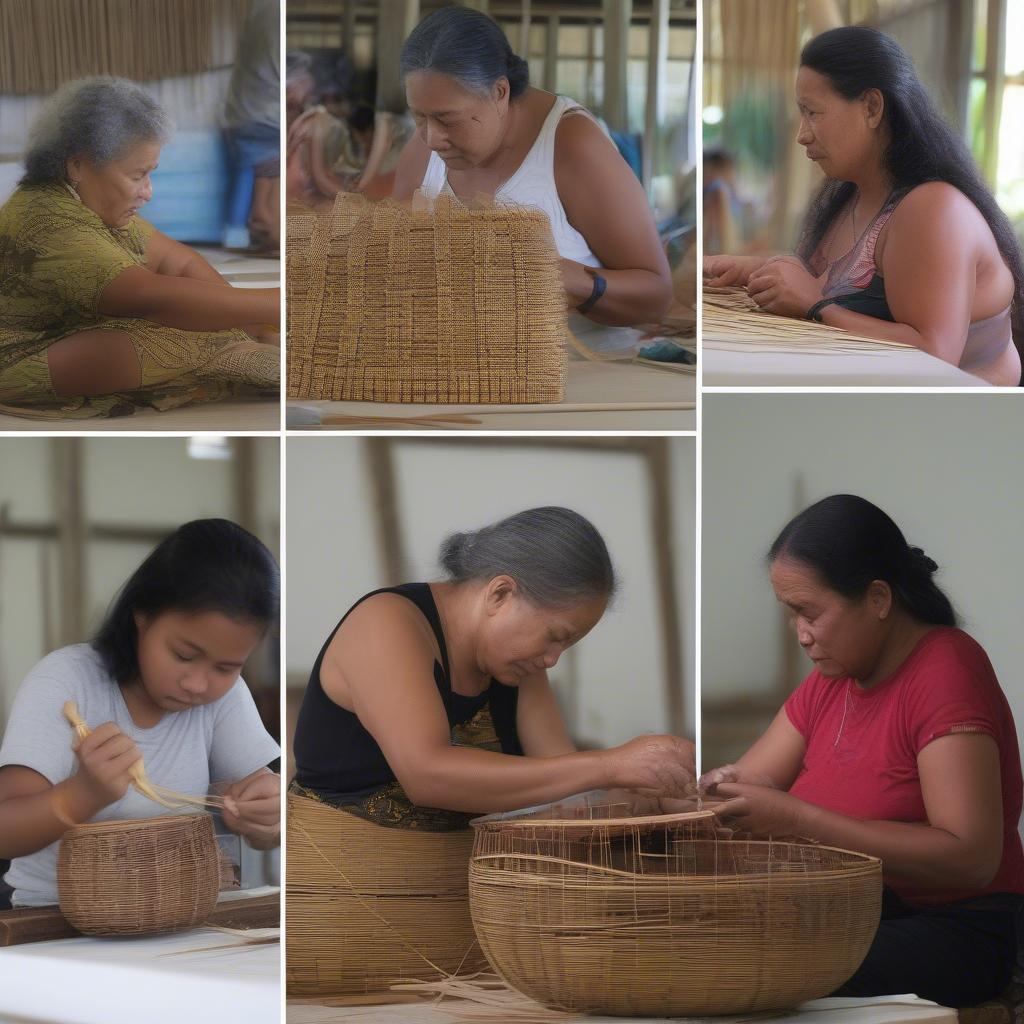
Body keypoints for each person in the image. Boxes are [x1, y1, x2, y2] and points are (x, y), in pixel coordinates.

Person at [700, 495, 1022, 1008]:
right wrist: (702, 791)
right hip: (853, 909)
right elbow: (752, 783)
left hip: (953, 929)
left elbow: (972, 858)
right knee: (696, 934)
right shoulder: (833, 678)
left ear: (877, 599)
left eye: (810, 612)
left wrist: (798, 820)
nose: (801, 635)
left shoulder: (945, 671)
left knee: (749, 959)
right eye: (791, 615)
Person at [292, 507, 694, 827]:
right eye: (555, 635)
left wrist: (651, 793)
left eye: (567, 645)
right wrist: (612, 764)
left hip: (459, 901)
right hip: (348, 900)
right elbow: (428, 774)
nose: (553, 658)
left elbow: (564, 790)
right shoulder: (386, 624)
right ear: (501, 593)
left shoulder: (517, 665)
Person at [703, 27, 1024, 386]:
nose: (802, 134)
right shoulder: (853, 197)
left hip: (963, 424)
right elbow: (828, 281)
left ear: (872, 107)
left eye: (813, 113)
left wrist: (817, 307)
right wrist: (755, 270)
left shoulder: (932, 208)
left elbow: (935, 356)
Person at [0, 519, 282, 907]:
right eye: (184, 655)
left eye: (227, 667)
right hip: (55, 926)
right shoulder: (66, 680)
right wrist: (81, 795)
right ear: (142, 614)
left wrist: (266, 821)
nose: (199, 684)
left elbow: (273, 822)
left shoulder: (225, 697)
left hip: (181, 917)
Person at [0, 77, 280, 419]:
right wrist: (277, 305)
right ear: (77, 165)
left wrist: (250, 320)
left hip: (72, 332)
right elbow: (148, 297)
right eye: (137, 176)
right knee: (155, 336)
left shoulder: (91, 204)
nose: (147, 192)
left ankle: (239, 345)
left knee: (208, 318)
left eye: (150, 175)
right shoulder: (46, 220)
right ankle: (239, 356)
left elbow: (176, 262)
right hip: (19, 357)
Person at [392, 8, 672, 333]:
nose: (432, 137)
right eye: (419, 117)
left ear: (499, 92)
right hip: (458, 370)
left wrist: (563, 278)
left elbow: (656, 297)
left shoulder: (572, 147)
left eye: (448, 119)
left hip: (579, 375)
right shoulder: (423, 149)